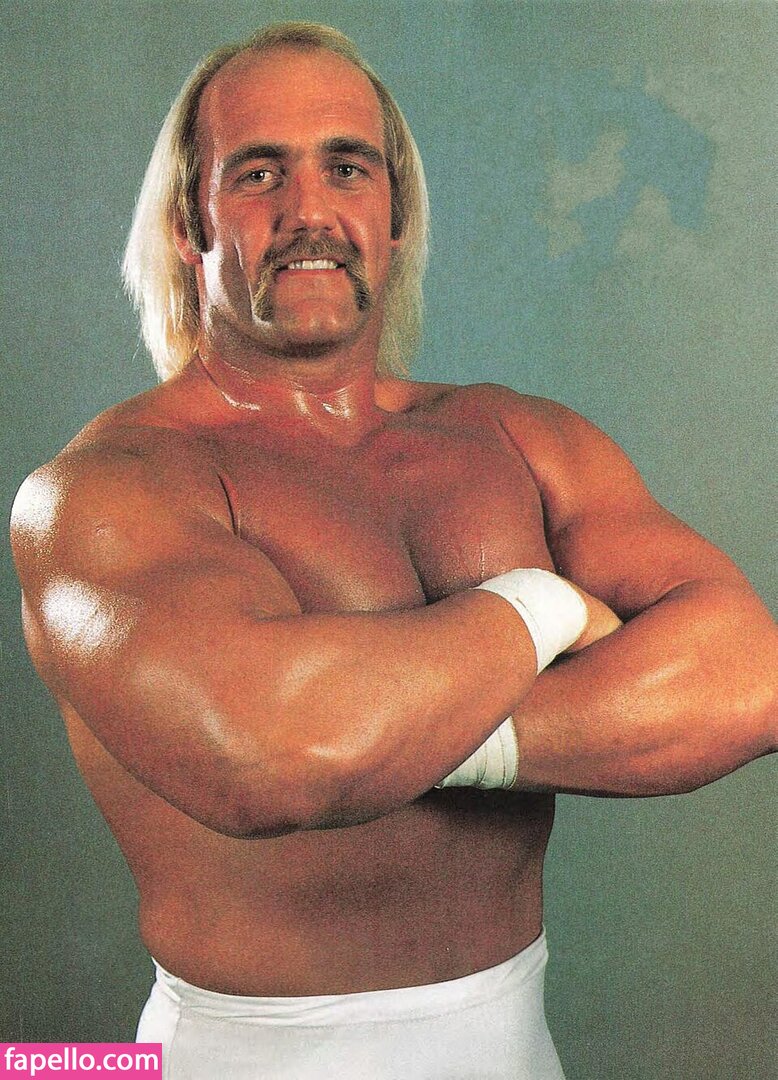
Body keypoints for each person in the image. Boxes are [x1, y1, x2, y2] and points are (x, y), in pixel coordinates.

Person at [9, 21, 776, 1080]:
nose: (309, 211)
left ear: (396, 215)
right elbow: (266, 755)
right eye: (259, 173)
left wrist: (382, 724)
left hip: (515, 1042)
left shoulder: (515, 434)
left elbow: (748, 679)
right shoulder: (108, 488)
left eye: (347, 168)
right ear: (191, 222)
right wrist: (543, 606)